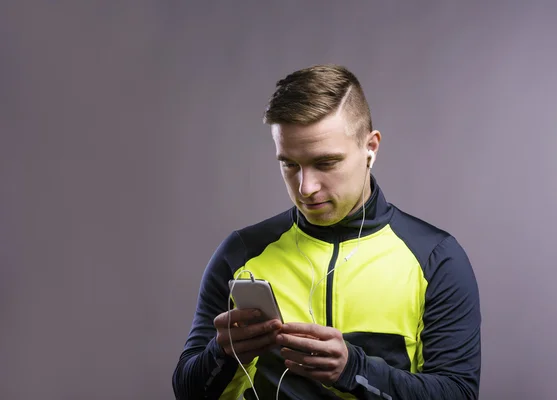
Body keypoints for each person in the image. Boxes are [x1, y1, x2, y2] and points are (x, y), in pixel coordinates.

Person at [172, 64, 481, 399]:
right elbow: (187, 392)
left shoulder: (436, 258)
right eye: (289, 164)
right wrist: (223, 354)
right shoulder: (241, 252)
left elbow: (459, 393)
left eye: (326, 163)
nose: (305, 187)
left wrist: (354, 370)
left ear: (370, 149)